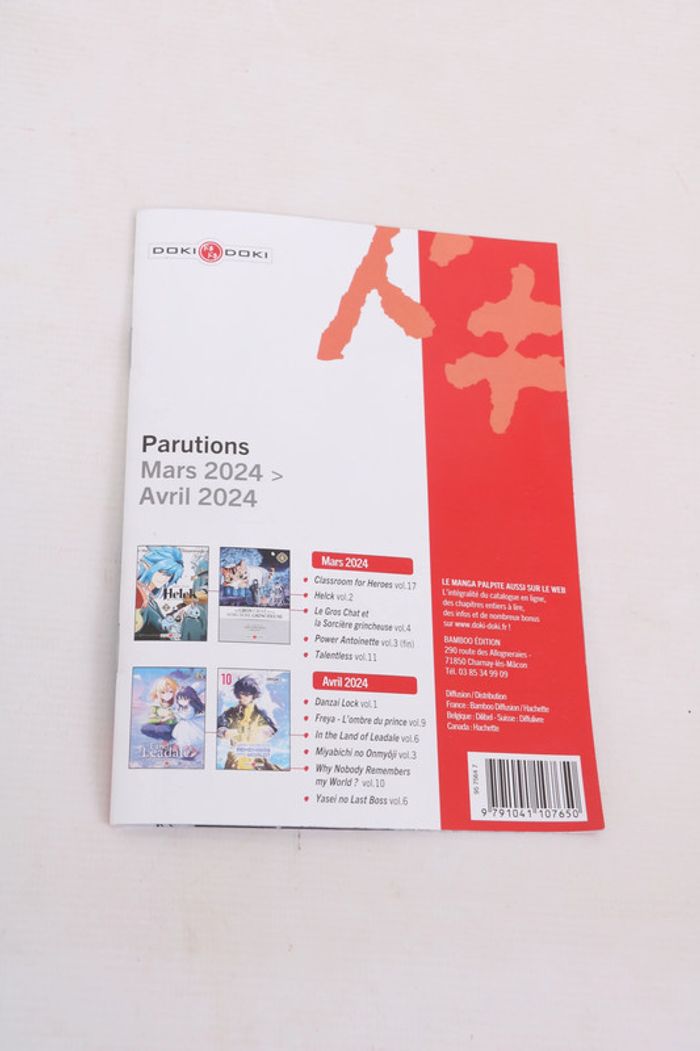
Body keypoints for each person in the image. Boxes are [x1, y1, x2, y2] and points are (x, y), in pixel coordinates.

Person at [217, 675, 278, 769]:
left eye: (248, 694)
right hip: (236, 756)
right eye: (242, 693)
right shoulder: (231, 712)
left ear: (253, 695)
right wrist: (224, 732)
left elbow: (273, 727)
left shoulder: (260, 712)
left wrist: (263, 731)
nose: (244, 697)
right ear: (238, 694)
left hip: (255, 755)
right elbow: (219, 725)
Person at [135, 546, 184, 639]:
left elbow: (162, 625)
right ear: (148, 566)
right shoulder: (138, 595)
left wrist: (174, 620)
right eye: (161, 572)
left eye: (169, 575)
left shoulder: (152, 601)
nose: (164, 578)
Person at [171, 686, 205, 759]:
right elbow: (180, 715)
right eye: (179, 699)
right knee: (183, 739)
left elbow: (187, 716)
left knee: (187, 739)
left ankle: (192, 751)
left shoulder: (191, 708)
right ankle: (185, 750)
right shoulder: (182, 707)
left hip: (190, 725)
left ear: (190, 699)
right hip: (184, 724)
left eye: (184, 699)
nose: (181, 701)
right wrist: (177, 713)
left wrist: (177, 714)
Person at [140, 676, 178, 741]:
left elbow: (174, 719)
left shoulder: (175, 704)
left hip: (171, 726)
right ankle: (162, 737)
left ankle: (168, 739)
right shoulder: (156, 705)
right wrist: (162, 720)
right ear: (157, 693)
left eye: (171, 692)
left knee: (162, 729)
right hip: (159, 724)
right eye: (163, 692)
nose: (167, 695)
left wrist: (170, 717)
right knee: (144, 728)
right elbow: (151, 719)